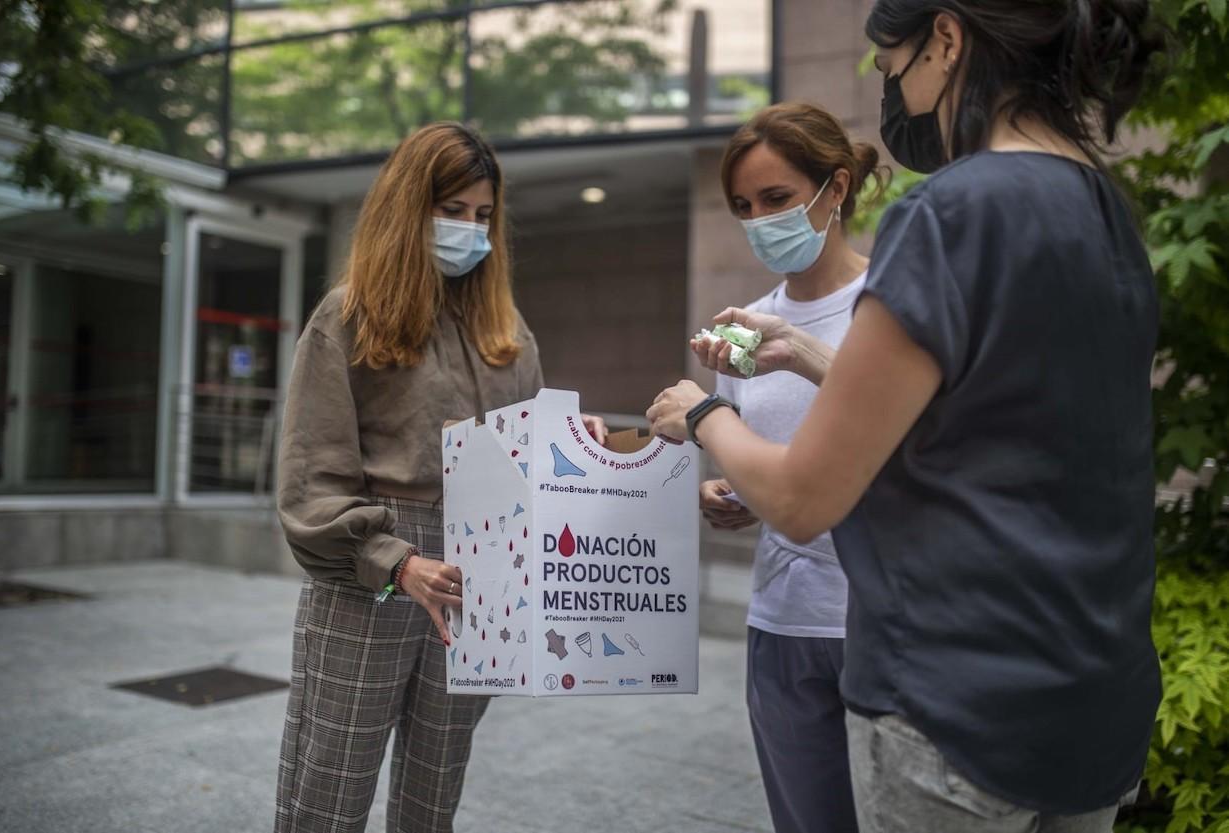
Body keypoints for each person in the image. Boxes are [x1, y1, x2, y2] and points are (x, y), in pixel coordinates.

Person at [651, 2, 1162, 830]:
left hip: (961, 699)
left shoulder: (950, 212)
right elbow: (987, 422)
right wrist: (809, 356)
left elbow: (803, 498)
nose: (901, 105)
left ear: (948, 39)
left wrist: (704, 411)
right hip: (1095, 697)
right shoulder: (1108, 215)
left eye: (894, 73)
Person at [274, 121, 604, 833]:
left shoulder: (505, 329)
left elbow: (532, 455)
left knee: (434, 794)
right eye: (451, 210)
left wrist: (582, 447)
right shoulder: (349, 317)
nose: (470, 229)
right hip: (374, 566)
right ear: (409, 208)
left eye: (482, 215)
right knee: (327, 789)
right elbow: (311, 487)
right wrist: (396, 562)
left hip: (484, 564)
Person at [699, 102, 883, 833]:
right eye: (743, 206)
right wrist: (732, 488)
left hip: (882, 618)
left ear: (834, 190)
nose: (758, 220)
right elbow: (751, 450)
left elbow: (920, 437)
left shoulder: (891, 301)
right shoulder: (740, 329)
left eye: (776, 198)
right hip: (781, 620)